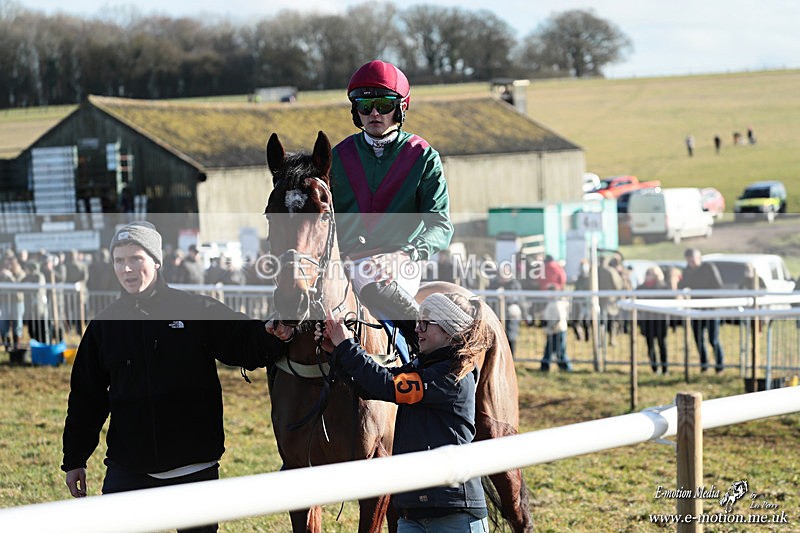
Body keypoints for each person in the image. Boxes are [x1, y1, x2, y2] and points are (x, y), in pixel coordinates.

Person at [61, 221, 291, 533]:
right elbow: (86, 399)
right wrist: (75, 458)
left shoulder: (194, 308)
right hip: (129, 469)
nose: (127, 269)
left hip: (193, 468)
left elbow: (244, 340)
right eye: (119, 260)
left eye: (136, 259)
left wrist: (272, 334)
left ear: (156, 261)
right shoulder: (104, 326)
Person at [317, 293, 489, 532]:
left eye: (425, 323)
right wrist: (336, 353)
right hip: (411, 514)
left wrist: (347, 346)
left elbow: (387, 385)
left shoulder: (452, 376)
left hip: (454, 513)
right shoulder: (424, 366)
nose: (417, 329)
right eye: (418, 321)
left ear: (449, 331)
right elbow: (369, 387)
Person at [330, 60, 454, 361]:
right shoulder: (339, 155)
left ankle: (431, 357)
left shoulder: (423, 156)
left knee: (374, 283)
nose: (374, 113)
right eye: (365, 105)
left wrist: (404, 254)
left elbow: (441, 225)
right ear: (355, 110)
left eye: (384, 105)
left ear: (400, 108)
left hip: (399, 262)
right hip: (344, 262)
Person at [678, 248, 725, 373]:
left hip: (711, 309)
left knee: (713, 339)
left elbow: (718, 287)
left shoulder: (708, 268)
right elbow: (682, 285)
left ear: (699, 258)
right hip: (696, 309)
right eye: (689, 261)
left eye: (692, 260)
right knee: (698, 339)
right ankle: (704, 365)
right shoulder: (687, 271)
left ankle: (719, 366)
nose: (691, 263)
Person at [638, 267, 669, 374]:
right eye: (648, 273)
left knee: (662, 344)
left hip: (660, 320)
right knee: (650, 345)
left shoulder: (663, 287)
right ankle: (654, 367)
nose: (649, 276)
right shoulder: (641, 288)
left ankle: (665, 368)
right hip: (647, 321)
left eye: (651, 274)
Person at [541, 285, 571, 372]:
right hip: (553, 330)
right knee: (549, 349)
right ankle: (545, 366)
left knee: (560, 350)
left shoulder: (558, 304)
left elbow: (559, 317)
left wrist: (551, 326)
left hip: (557, 330)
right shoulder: (553, 303)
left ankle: (566, 367)